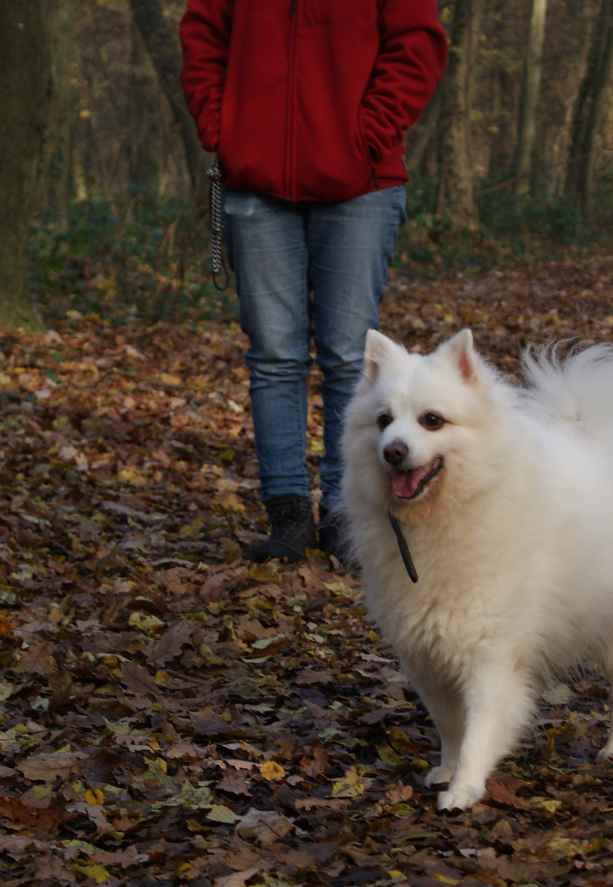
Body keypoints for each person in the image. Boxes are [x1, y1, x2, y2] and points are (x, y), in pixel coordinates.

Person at [180, 0, 448, 564]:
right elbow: (203, 35)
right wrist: (222, 126)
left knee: (350, 356)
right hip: (253, 179)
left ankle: (345, 512)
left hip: (362, 183)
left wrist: (366, 134)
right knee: (274, 355)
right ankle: (288, 514)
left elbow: (417, 45)